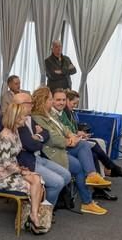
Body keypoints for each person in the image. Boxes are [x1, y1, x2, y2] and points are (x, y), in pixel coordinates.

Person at [31, 87, 108, 215]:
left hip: (61, 148)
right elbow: (52, 139)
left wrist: (72, 136)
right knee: (79, 166)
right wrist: (69, 141)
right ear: (42, 101)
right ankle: (87, 201)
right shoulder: (38, 117)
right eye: (51, 99)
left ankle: (91, 176)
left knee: (84, 145)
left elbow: (64, 128)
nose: (54, 102)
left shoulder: (49, 114)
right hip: (52, 151)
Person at [0, 102, 46, 233]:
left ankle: (33, 216)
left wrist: (21, 169)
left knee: (38, 180)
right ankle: (34, 218)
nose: (25, 119)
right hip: (2, 177)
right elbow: (6, 164)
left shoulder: (14, 131)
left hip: (12, 171)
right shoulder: (5, 136)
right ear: (15, 118)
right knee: (35, 183)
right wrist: (22, 171)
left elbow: (13, 157)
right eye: (22, 117)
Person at [13, 92, 70, 206]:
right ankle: (41, 211)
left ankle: (42, 206)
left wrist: (37, 137)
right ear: (22, 105)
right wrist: (39, 139)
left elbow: (46, 133)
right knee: (57, 182)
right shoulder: (16, 121)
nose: (33, 105)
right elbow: (31, 145)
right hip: (27, 162)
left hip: (38, 156)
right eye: (30, 103)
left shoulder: (29, 117)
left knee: (66, 175)